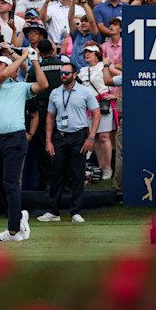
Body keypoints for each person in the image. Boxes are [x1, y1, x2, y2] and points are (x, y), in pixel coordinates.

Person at [0, 47, 47, 242]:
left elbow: (43, 84)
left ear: (15, 71)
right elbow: (4, 74)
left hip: (15, 138)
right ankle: (19, 217)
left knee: (10, 183)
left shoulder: (22, 87)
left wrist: (34, 60)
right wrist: (23, 56)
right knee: (0, 185)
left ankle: (13, 230)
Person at [37, 62, 99, 224]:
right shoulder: (55, 93)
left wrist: (91, 137)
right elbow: (50, 117)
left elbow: (96, 113)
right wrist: (49, 140)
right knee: (56, 174)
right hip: (61, 136)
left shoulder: (85, 92)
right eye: (61, 73)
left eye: (66, 73)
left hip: (79, 136)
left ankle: (76, 212)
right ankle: (53, 211)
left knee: (78, 175)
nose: (63, 75)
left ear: (74, 74)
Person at [26, 39, 63, 191]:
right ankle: (66, 182)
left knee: (44, 146)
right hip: (63, 110)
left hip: (43, 110)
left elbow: (29, 90)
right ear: (53, 50)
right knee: (63, 147)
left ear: (39, 53)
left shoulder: (36, 68)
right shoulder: (63, 67)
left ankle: (47, 181)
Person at [78, 42, 116, 179]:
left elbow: (123, 78)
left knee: (105, 136)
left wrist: (116, 95)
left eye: (90, 52)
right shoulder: (82, 70)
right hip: (89, 105)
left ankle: (108, 168)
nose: (87, 54)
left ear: (97, 54)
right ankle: (101, 167)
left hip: (103, 102)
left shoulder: (103, 67)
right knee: (96, 137)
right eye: (85, 52)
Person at [67, 0, 98, 69]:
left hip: (89, 73)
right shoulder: (76, 35)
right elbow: (70, 19)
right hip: (75, 73)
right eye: (82, 21)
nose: (83, 23)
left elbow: (91, 20)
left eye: (86, 21)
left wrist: (84, 1)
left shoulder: (94, 36)